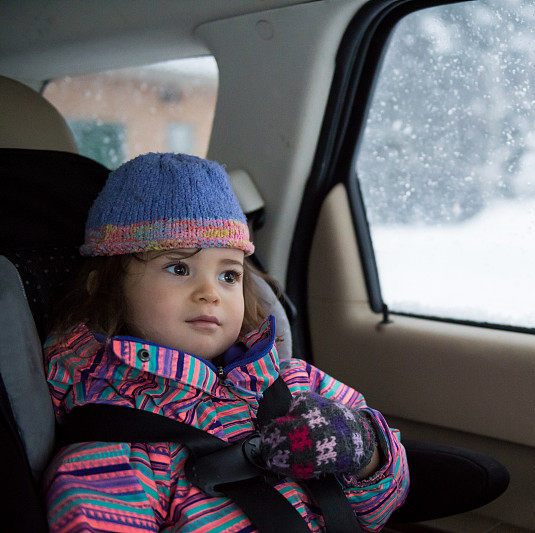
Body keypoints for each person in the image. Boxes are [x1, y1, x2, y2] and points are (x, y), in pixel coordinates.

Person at [42, 152, 409, 532]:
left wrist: (366, 452)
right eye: (179, 268)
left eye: (229, 276)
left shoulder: (293, 384)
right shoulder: (112, 441)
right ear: (105, 286)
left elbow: (380, 507)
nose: (210, 293)